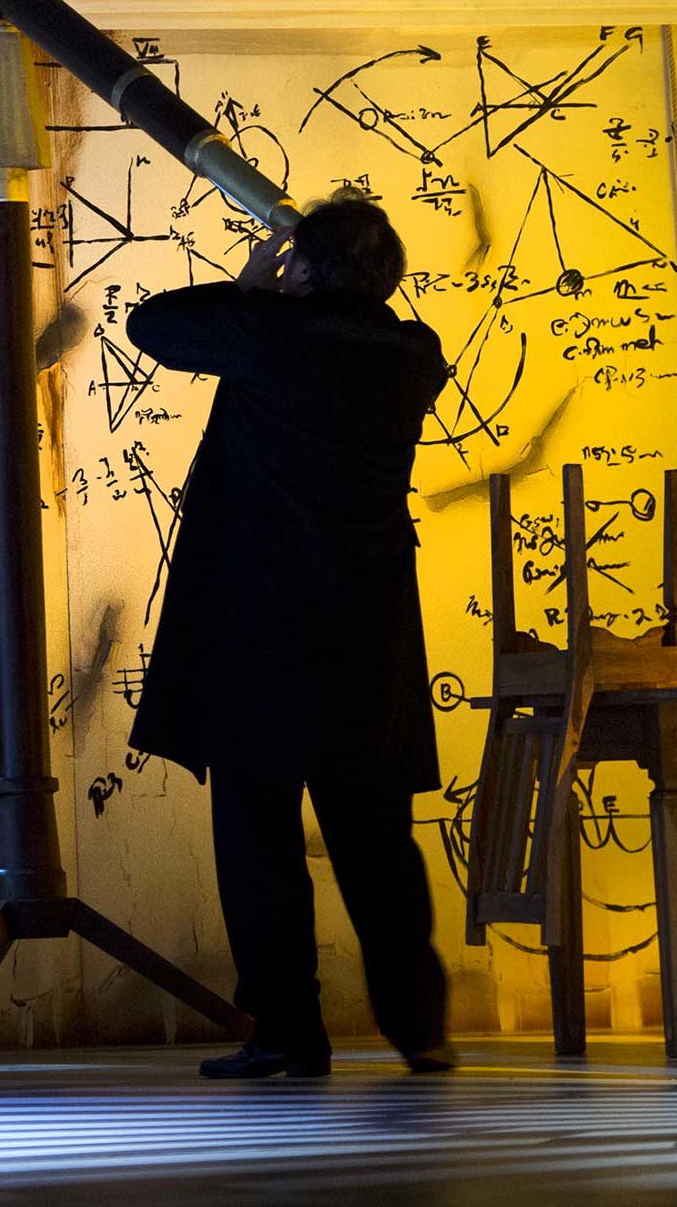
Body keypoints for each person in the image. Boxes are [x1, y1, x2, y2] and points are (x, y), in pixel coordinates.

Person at [126, 195, 452, 1081]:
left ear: (303, 270)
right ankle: (420, 1029)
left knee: (259, 841)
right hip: (369, 639)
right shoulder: (414, 355)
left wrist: (254, 285)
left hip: (260, 635)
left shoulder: (269, 337)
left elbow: (152, 325)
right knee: (378, 842)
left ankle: (287, 1034)